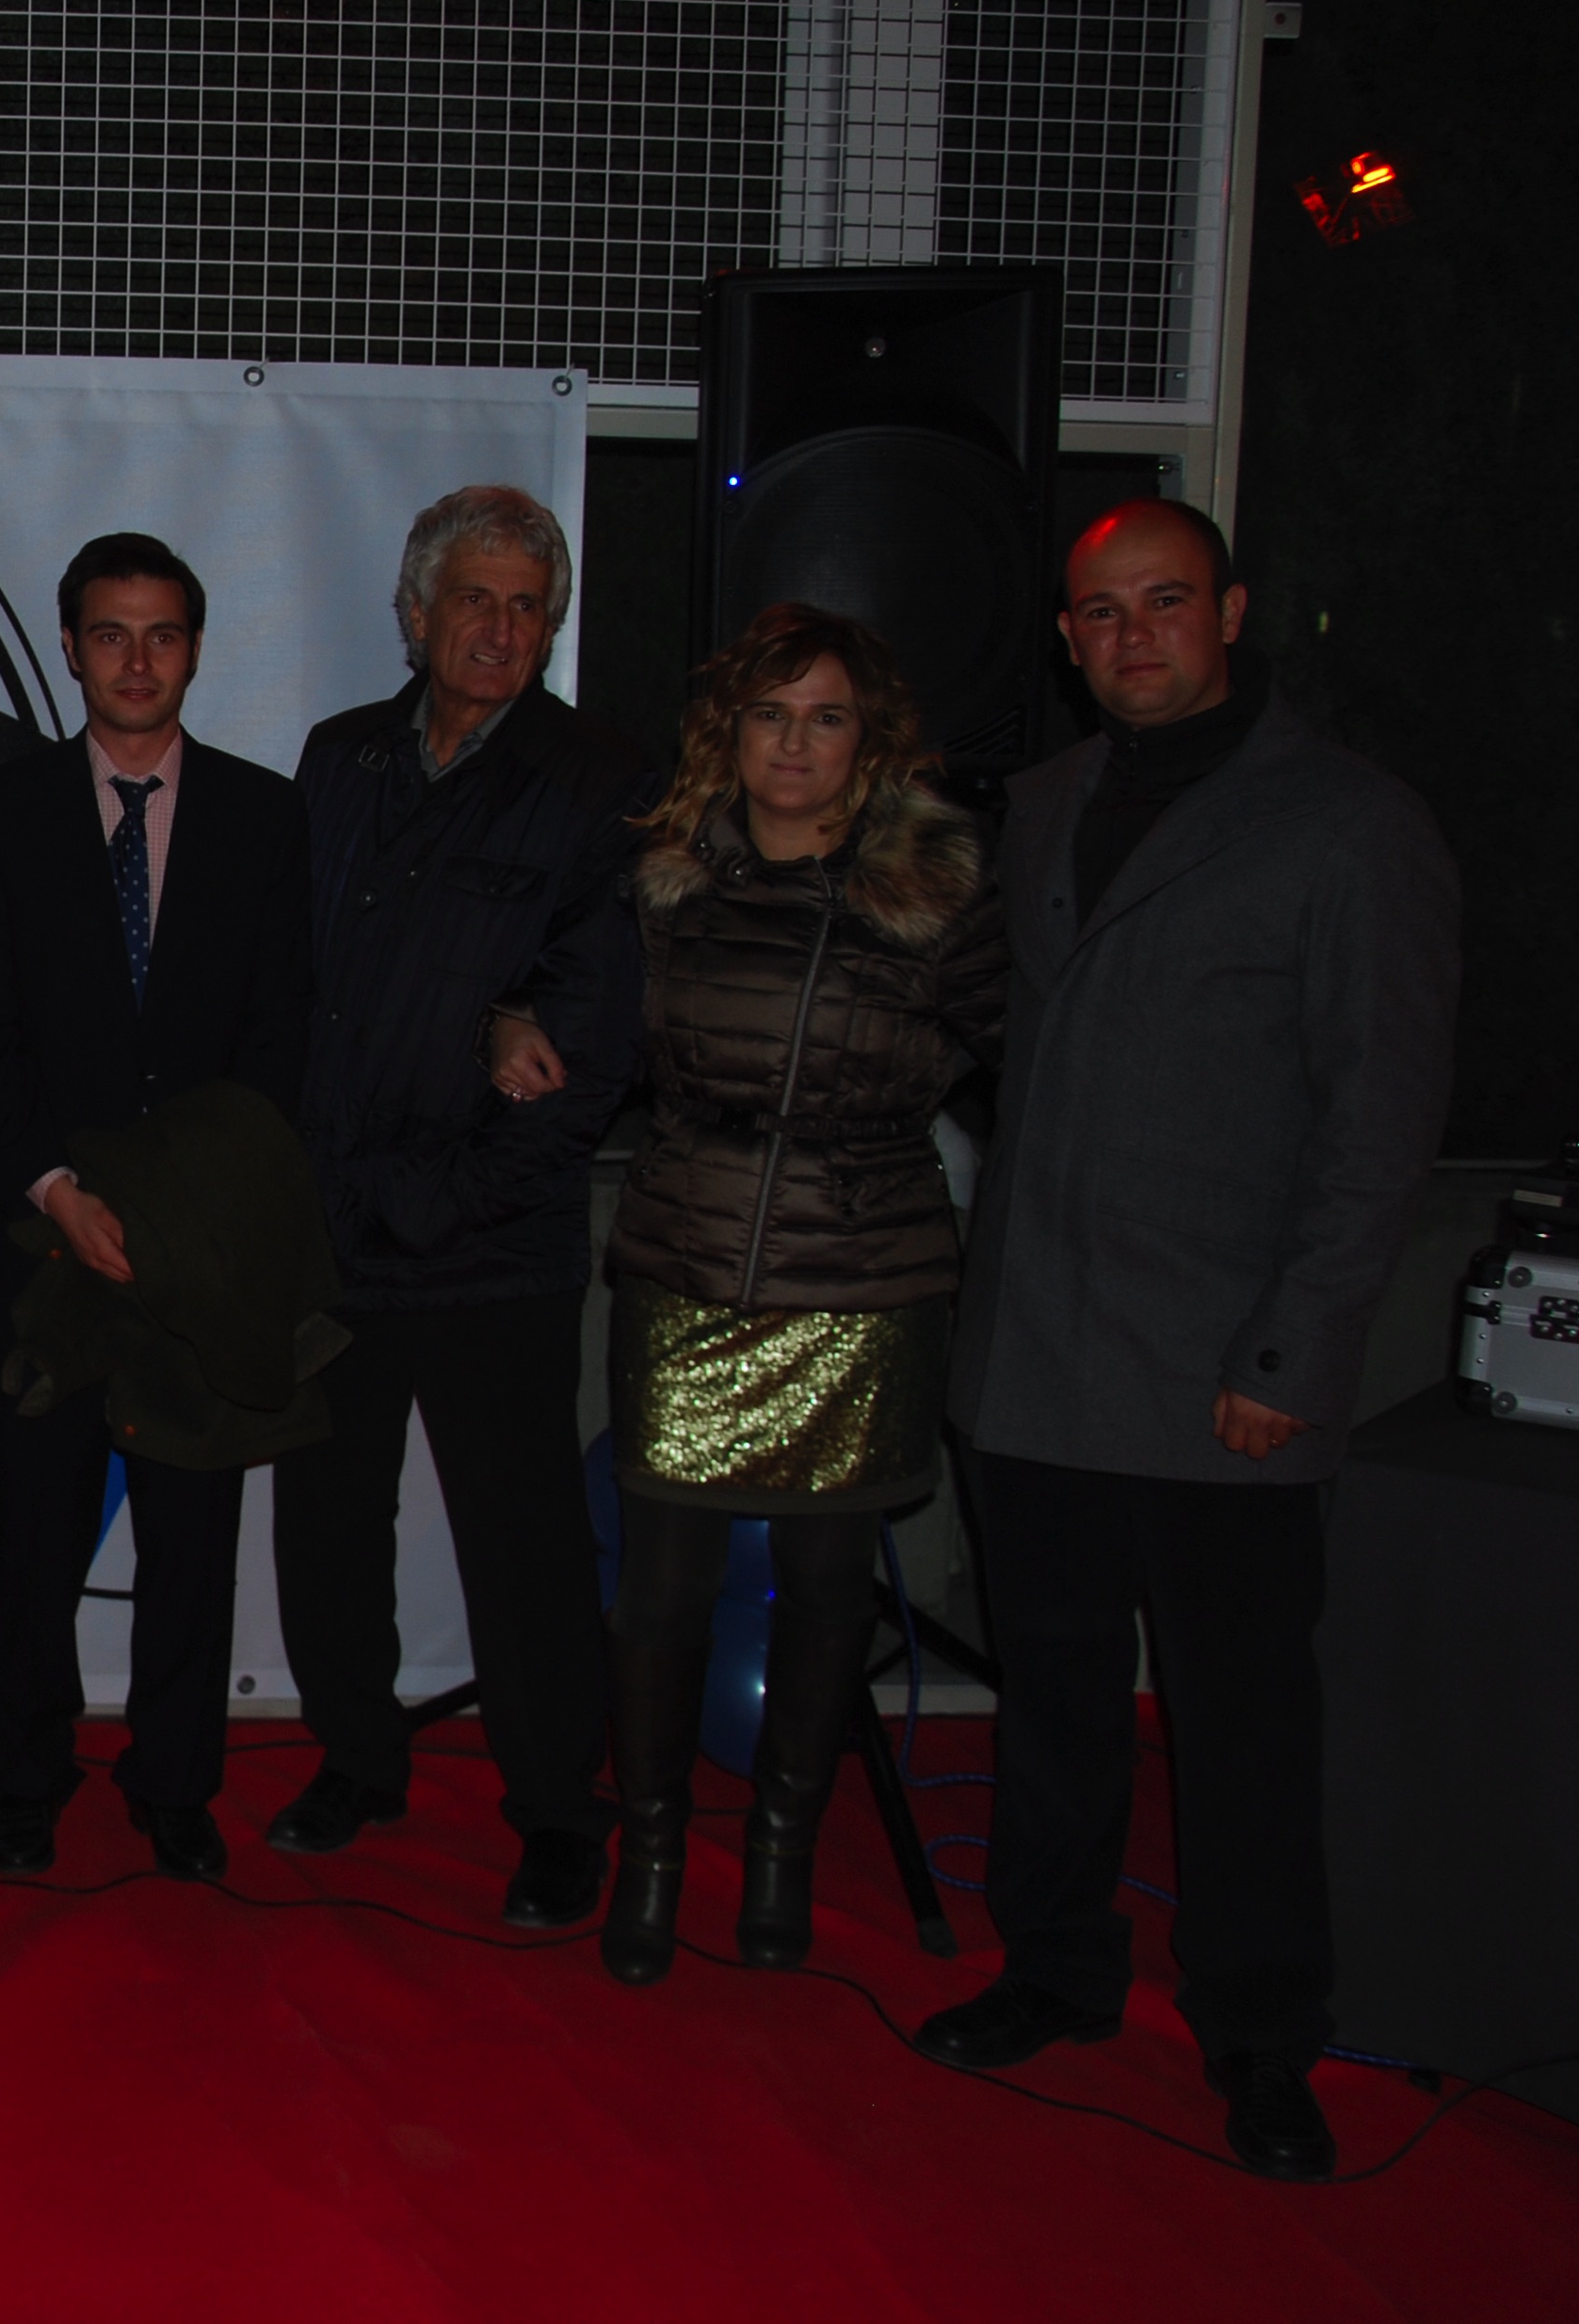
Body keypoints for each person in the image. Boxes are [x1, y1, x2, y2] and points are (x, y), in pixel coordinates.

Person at [921, 501, 1459, 2181]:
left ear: (1231, 611)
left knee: (1240, 1733)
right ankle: (1056, 1968)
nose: (1132, 635)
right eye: (1100, 612)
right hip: (1038, 1356)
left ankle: (1261, 2035)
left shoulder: (1353, 825)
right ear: (1067, 640)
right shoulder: (1042, 805)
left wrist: (1291, 1360)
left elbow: (1379, 1125)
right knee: (1054, 1702)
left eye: (1164, 601)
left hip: (1225, 1376)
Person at [492, 604, 1006, 1984]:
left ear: (869, 740)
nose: (794, 744)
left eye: (825, 718)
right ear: (729, 733)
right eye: (770, 716)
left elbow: (1030, 1065)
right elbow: (564, 1008)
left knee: (829, 1594)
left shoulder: (938, 892)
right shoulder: (661, 880)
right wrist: (508, 1021)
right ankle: (653, 1858)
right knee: (659, 1600)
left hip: (866, 1280)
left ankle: (783, 1852)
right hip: (688, 1266)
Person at [270, 484, 653, 1928]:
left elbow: (592, 1040)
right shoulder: (340, 757)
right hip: (330, 1227)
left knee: (525, 1550)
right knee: (325, 1525)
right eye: (475, 600)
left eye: (527, 607)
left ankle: (559, 1812)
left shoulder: (603, 779)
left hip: (492, 1238)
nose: (500, 629)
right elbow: (296, 977)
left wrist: (449, 1197)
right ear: (416, 612)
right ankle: (356, 1762)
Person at [0, 532, 311, 1883]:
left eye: (161, 635)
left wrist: (180, 1210)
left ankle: (176, 1783)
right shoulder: (1, 814)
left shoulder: (267, 818)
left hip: (201, 1251)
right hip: (47, 1247)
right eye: (110, 634)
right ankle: (27, 1775)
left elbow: (281, 1040)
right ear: (71, 647)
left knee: (193, 1542)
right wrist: (58, 1189)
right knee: (34, 1536)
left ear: (195, 649)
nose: (137, 662)